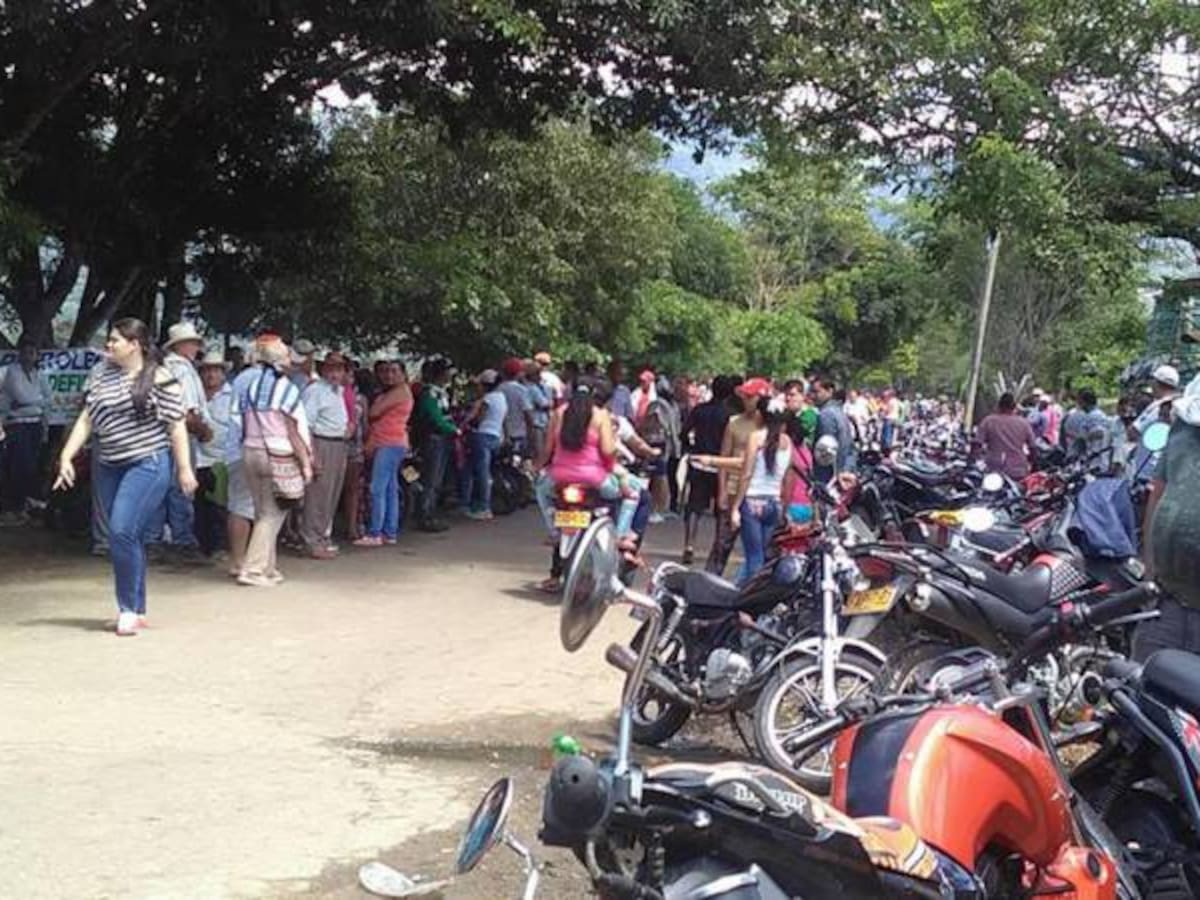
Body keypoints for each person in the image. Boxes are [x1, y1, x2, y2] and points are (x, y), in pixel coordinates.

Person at [53, 318, 196, 635]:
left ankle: (127, 609)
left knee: (121, 531)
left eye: (116, 340)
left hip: (147, 463)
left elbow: (176, 426)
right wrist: (66, 456)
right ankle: (137, 607)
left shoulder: (160, 377)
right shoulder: (100, 373)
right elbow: (87, 419)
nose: (109, 345)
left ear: (135, 344)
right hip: (109, 464)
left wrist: (184, 469)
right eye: (109, 339)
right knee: (123, 535)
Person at [231, 335, 313, 586]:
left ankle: (269, 567)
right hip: (277, 453)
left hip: (249, 450)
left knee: (262, 511)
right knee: (273, 514)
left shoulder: (248, 386)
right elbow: (293, 430)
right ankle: (253, 570)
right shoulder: (286, 388)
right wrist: (306, 462)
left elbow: (237, 420)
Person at [1136, 373, 1200, 659]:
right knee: (1144, 690)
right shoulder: (1184, 424)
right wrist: (1150, 571)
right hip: (1167, 599)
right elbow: (1158, 495)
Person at [695, 377, 773, 578]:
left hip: (759, 493)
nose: (745, 401)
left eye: (749, 397)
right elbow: (725, 455)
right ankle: (708, 583)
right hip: (732, 489)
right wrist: (721, 492)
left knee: (760, 551)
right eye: (744, 396)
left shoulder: (770, 430)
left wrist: (710, 461)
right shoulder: (734, 423)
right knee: (721, 545)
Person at [149, 322, 210, 562]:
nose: (196, 347)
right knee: (182, 489)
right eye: (193, 342)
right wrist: (203, 429)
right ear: (181, 345)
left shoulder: (162, 368)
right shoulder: (183, 370)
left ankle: (154, 539)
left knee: (162, 488)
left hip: (161, 436)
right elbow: (185, 411)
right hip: (181, 435)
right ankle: (182, 540)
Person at [730, 397, 792, 584]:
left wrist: (735, 507)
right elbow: (787, 479)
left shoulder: (756, 438)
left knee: (753, 558)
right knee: (760, 556)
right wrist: (784, 507)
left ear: (761, 416)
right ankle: (742, 594)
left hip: (752, 502)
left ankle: (746, 606)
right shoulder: (787, 442)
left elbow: (746, 474)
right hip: (773, 503)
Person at [300, 353, 352, 558]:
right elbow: (307, 425)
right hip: (322, 442)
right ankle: (312, 540)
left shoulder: (338, 391)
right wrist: (312, 454)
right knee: (318, 494)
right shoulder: (315, 391)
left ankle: (322, 536)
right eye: (330, 369)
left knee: (331, 493)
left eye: (339, 369)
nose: (334, 373)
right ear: (323, 370)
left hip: (338, 443)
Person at [356, 360, 412, 546]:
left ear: (403, 374)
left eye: (394, 371)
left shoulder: (399, 391)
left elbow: (374, 412)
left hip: (389, 442)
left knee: (377, 488)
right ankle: (389, 531)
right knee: (389, 489)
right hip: (392, 442)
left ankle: (375, 532)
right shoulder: (395, 392)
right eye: (386, 371)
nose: (389, 375)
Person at [0, 336, 52, 525]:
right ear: (20, 354)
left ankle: (23, 507)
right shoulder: (9, 372)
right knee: (18, 467)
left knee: (30, 468)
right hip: (16, 424)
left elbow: (48, 399)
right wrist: (32, 402)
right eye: (26, 352)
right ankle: (12, 508)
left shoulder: (40, 374)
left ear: (37, 356)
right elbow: (22, 396)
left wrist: (31, 402)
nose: (29, 356)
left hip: (35, 425)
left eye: (32, 353)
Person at [680, 375, 732, 565]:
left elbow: (683, 433)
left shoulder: (699, 410)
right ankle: (718, 546)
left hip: (699, 462)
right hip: (721, 465)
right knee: (721, 508)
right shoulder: (729, 415)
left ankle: (689, 545)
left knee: (694, 506)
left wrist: (691, 449)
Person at [413, 358, 459, 532]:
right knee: (430, 478)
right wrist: (453, 429)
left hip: (441, 438)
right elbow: (435, 417)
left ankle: (430, 511)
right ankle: (425, 514)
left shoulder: (442, 392)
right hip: (432, 438)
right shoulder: (430, 393)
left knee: (437, 478)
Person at [194, 351, 233, 556]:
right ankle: (203, 546)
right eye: (207, 370)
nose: (211, 375)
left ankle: (219, 546)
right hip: (197, 458)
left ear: (223, 374)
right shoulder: (196, 395)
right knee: (199, 505)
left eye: (215, 370)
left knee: (219, 506)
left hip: (222, 459)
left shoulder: (232, 396)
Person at [461, 368, 507, 521]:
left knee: (481, 473)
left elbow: (477, 419)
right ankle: (471, 503)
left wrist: (466, 421)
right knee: (478, 471)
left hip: (482, 436)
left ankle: (483, 507)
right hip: (496, 436)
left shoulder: (488, 399)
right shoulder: (501, 397)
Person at [1129, 365, 1180, 480]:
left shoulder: (1157, 406)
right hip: (1171, 471)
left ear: (1156, 383)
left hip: (1149, 471)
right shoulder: (1181, 405)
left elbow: (1132, 433)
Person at [975, 392, 1037, 480]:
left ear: (999, 406)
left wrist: (972, 461)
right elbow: (1033, 448)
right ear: (1014, 407)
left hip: (993, 469)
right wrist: (1032, 463)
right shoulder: (1024, 423)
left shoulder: (988, 421)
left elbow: (977, 444)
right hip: (1017, 469)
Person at [812, 378, 854, 482]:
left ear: (829, 391)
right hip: (841, 471)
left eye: (817, 392)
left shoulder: (826, 415)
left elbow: (826, 452)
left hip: (828, 476)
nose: (813, 396)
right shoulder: (839, 412)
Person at [1061, 388, 1114, 471]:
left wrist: (1082, 437)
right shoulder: (1098, 415)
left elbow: (1099, 433)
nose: (1078, 403)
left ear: (1084, 402)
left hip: (1096, 460)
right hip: (1098, 459)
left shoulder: (1094, 416)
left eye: (1079, 401)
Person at [498, 358, 534, 456]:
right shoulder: (521, 390)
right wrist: (531, 430)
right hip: (518, 434)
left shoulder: (498, 389)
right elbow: (528, 413)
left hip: (500, 433)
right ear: (518, 373)